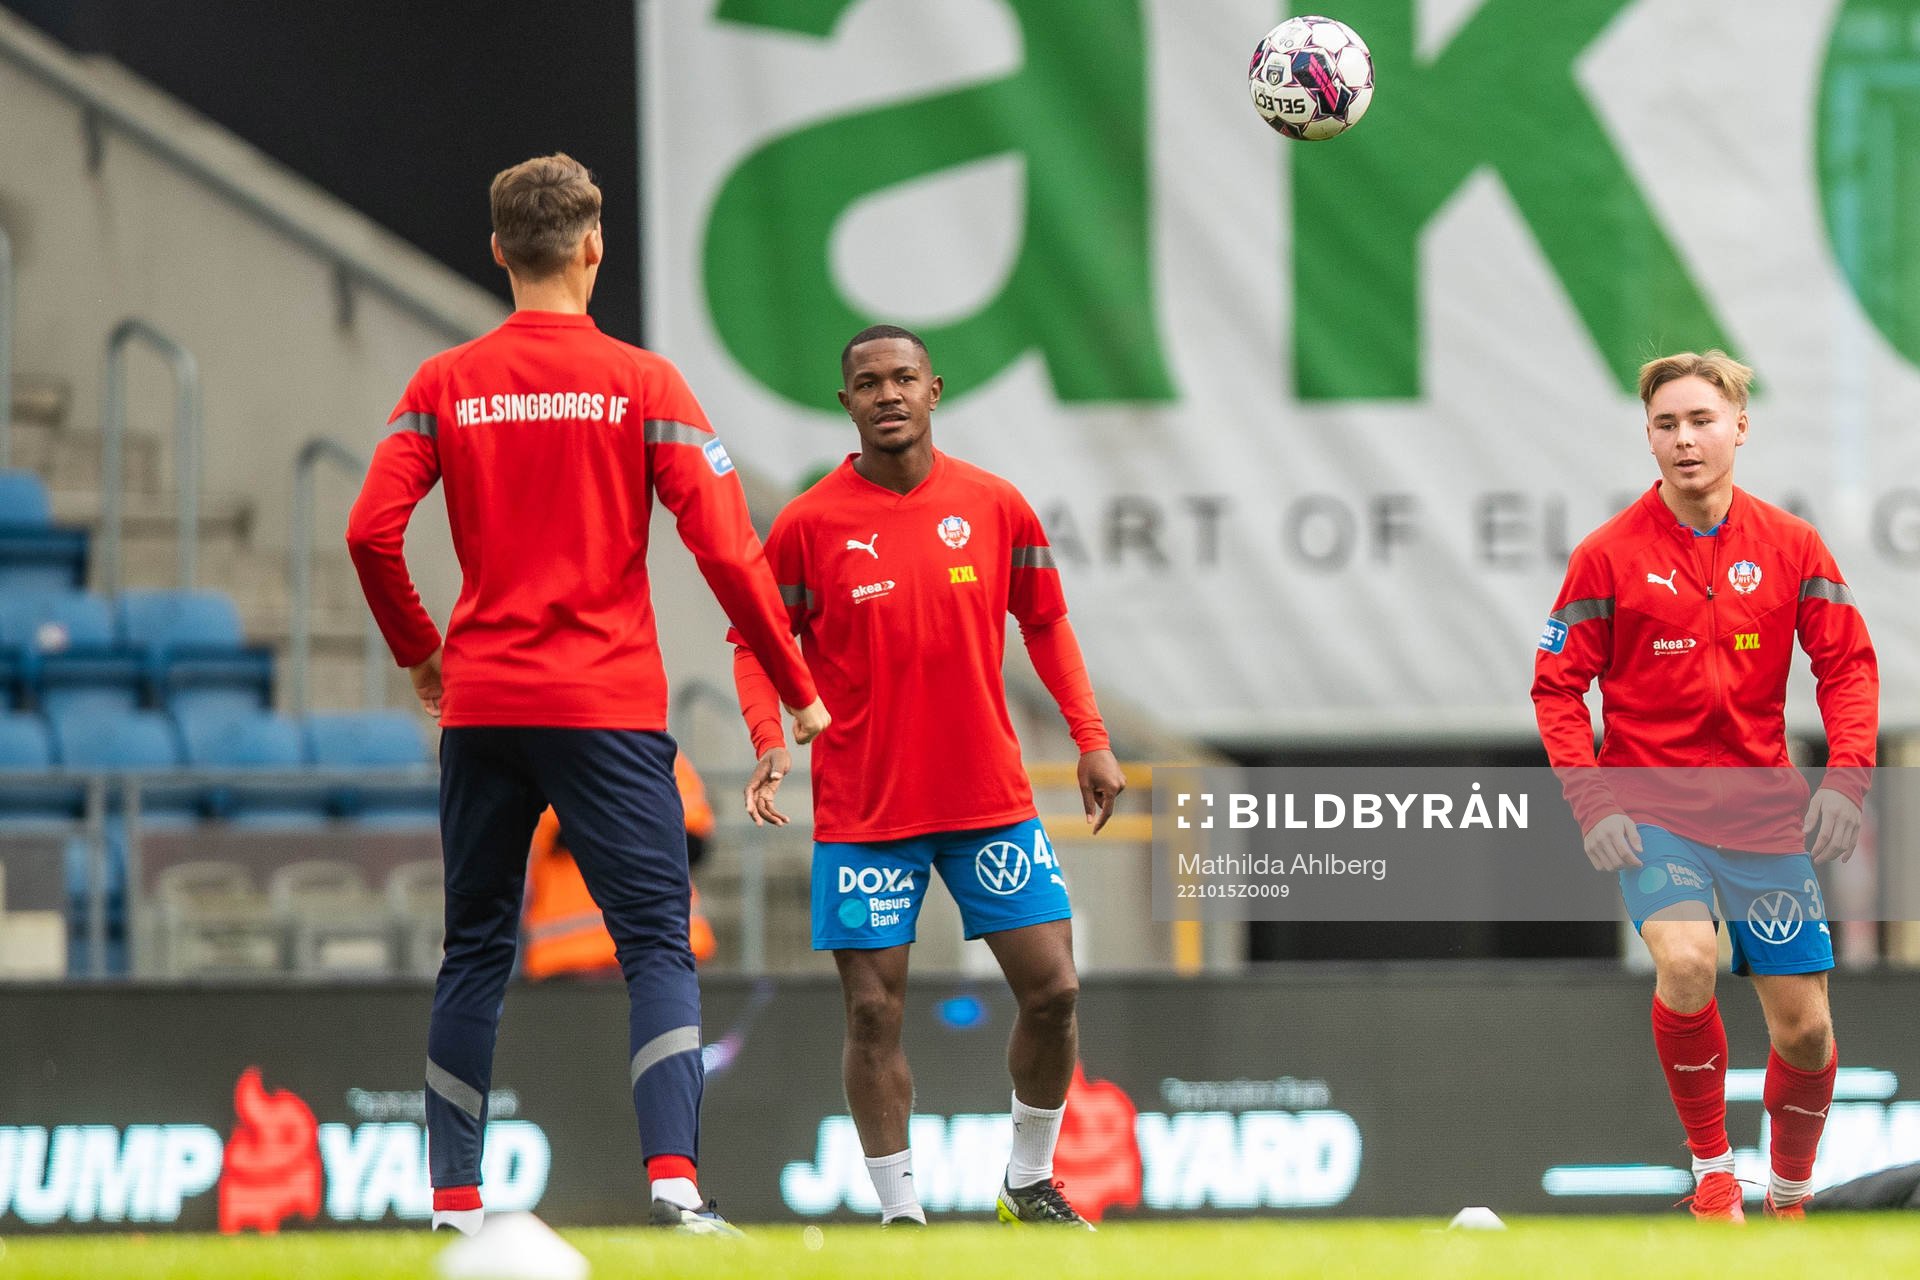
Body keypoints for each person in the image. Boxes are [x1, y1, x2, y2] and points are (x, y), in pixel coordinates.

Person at [345, 153, 828, 1237]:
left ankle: (455, 1206)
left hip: (482, 704)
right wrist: (797, 689)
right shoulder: (646, 385)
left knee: (474, 946)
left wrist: (423, 650)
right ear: (595, 246)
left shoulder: (442, 384)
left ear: (498, 252)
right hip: (605, 706)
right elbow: (730, 553)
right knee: (656, 940)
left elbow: (368, 531)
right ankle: (673, 1186)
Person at [730, 324, 1127, 1228]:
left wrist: (1090, 736)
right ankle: (901, 1216)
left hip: (988, 799)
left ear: (935, 388)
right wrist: (769, 733)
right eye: (868, 383)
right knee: (874, 1013)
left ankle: (1027, 1182)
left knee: (1056, 991)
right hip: (867, 810)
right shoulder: (807, 523)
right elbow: (756, 645)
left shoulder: (994, 505)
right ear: (846, 403)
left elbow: (1048, 624)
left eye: (904, 377)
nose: (888, 394)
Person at [1532, 350, 1878, 1222]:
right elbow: (1557, 687)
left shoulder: (1792, 545)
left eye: (1701, 421)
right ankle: (1713, 1171)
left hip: (1766, 816)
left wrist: (1845, 780)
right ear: (1647, 437)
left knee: (1805, 1029)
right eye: (1666, 424)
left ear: (1739, 428)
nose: (1685, 440)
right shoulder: (1607, 556)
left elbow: (1847, 669)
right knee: (1688, 961)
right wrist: (1593, 800)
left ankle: (1790, 1198)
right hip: (1653, 811)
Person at [524, 754, 719, 977]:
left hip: (662, 947)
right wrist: (644, 825)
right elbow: (563, 834)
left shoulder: (663, 757)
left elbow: (693, 845)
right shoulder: (550, 757)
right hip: (572, 955)